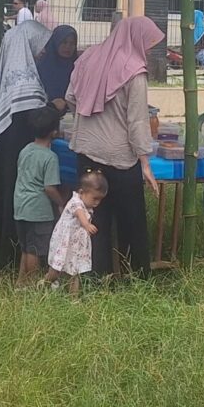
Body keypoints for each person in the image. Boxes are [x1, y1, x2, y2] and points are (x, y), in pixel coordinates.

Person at [66, 16, 163, 277]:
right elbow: (137, 121)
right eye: (149, 43)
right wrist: (145, 163)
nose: (150, 49)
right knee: (131, 222)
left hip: (86, 152)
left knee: (94, 218)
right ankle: (136, 277)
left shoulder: (88, 57)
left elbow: (71, 98)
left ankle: (96, 278)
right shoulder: (134, 71)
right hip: (119, 157)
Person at [0, 19, 52, 270]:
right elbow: (36, 121)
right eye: (40, 45)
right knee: (17, 201)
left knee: (4, 198)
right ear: (27, 44)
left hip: (5, 148)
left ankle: (1, 255)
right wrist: (55, 108)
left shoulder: (9, 78)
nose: (43, 51)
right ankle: (14, 257)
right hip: (19, 153)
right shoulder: (27, 82)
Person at [13, 105, 64, 285]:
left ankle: (21, 283)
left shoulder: (25, 150)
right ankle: (32, 284)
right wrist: (61, 202)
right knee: (34, 250)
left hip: (20, 206)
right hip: (38, 211)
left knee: (26, 248)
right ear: (54, 132)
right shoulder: (50, 157)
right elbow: (49, 187)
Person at [43, 168, 109, 295]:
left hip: (76, 247)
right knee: (55, 270)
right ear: (81, 192)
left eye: (100, 200)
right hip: (65, 244)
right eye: (94, 198)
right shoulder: (75, 202)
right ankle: (44, 284)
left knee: (74, 272)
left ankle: (74, 297)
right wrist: (87, 225)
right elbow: (80, 214)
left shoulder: (87, 205)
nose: (97, 202)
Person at [37, 24, 79, 110]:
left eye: (72, 43)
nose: (68, 47)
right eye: (64, 42)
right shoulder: (42, 66)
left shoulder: (78, 67)